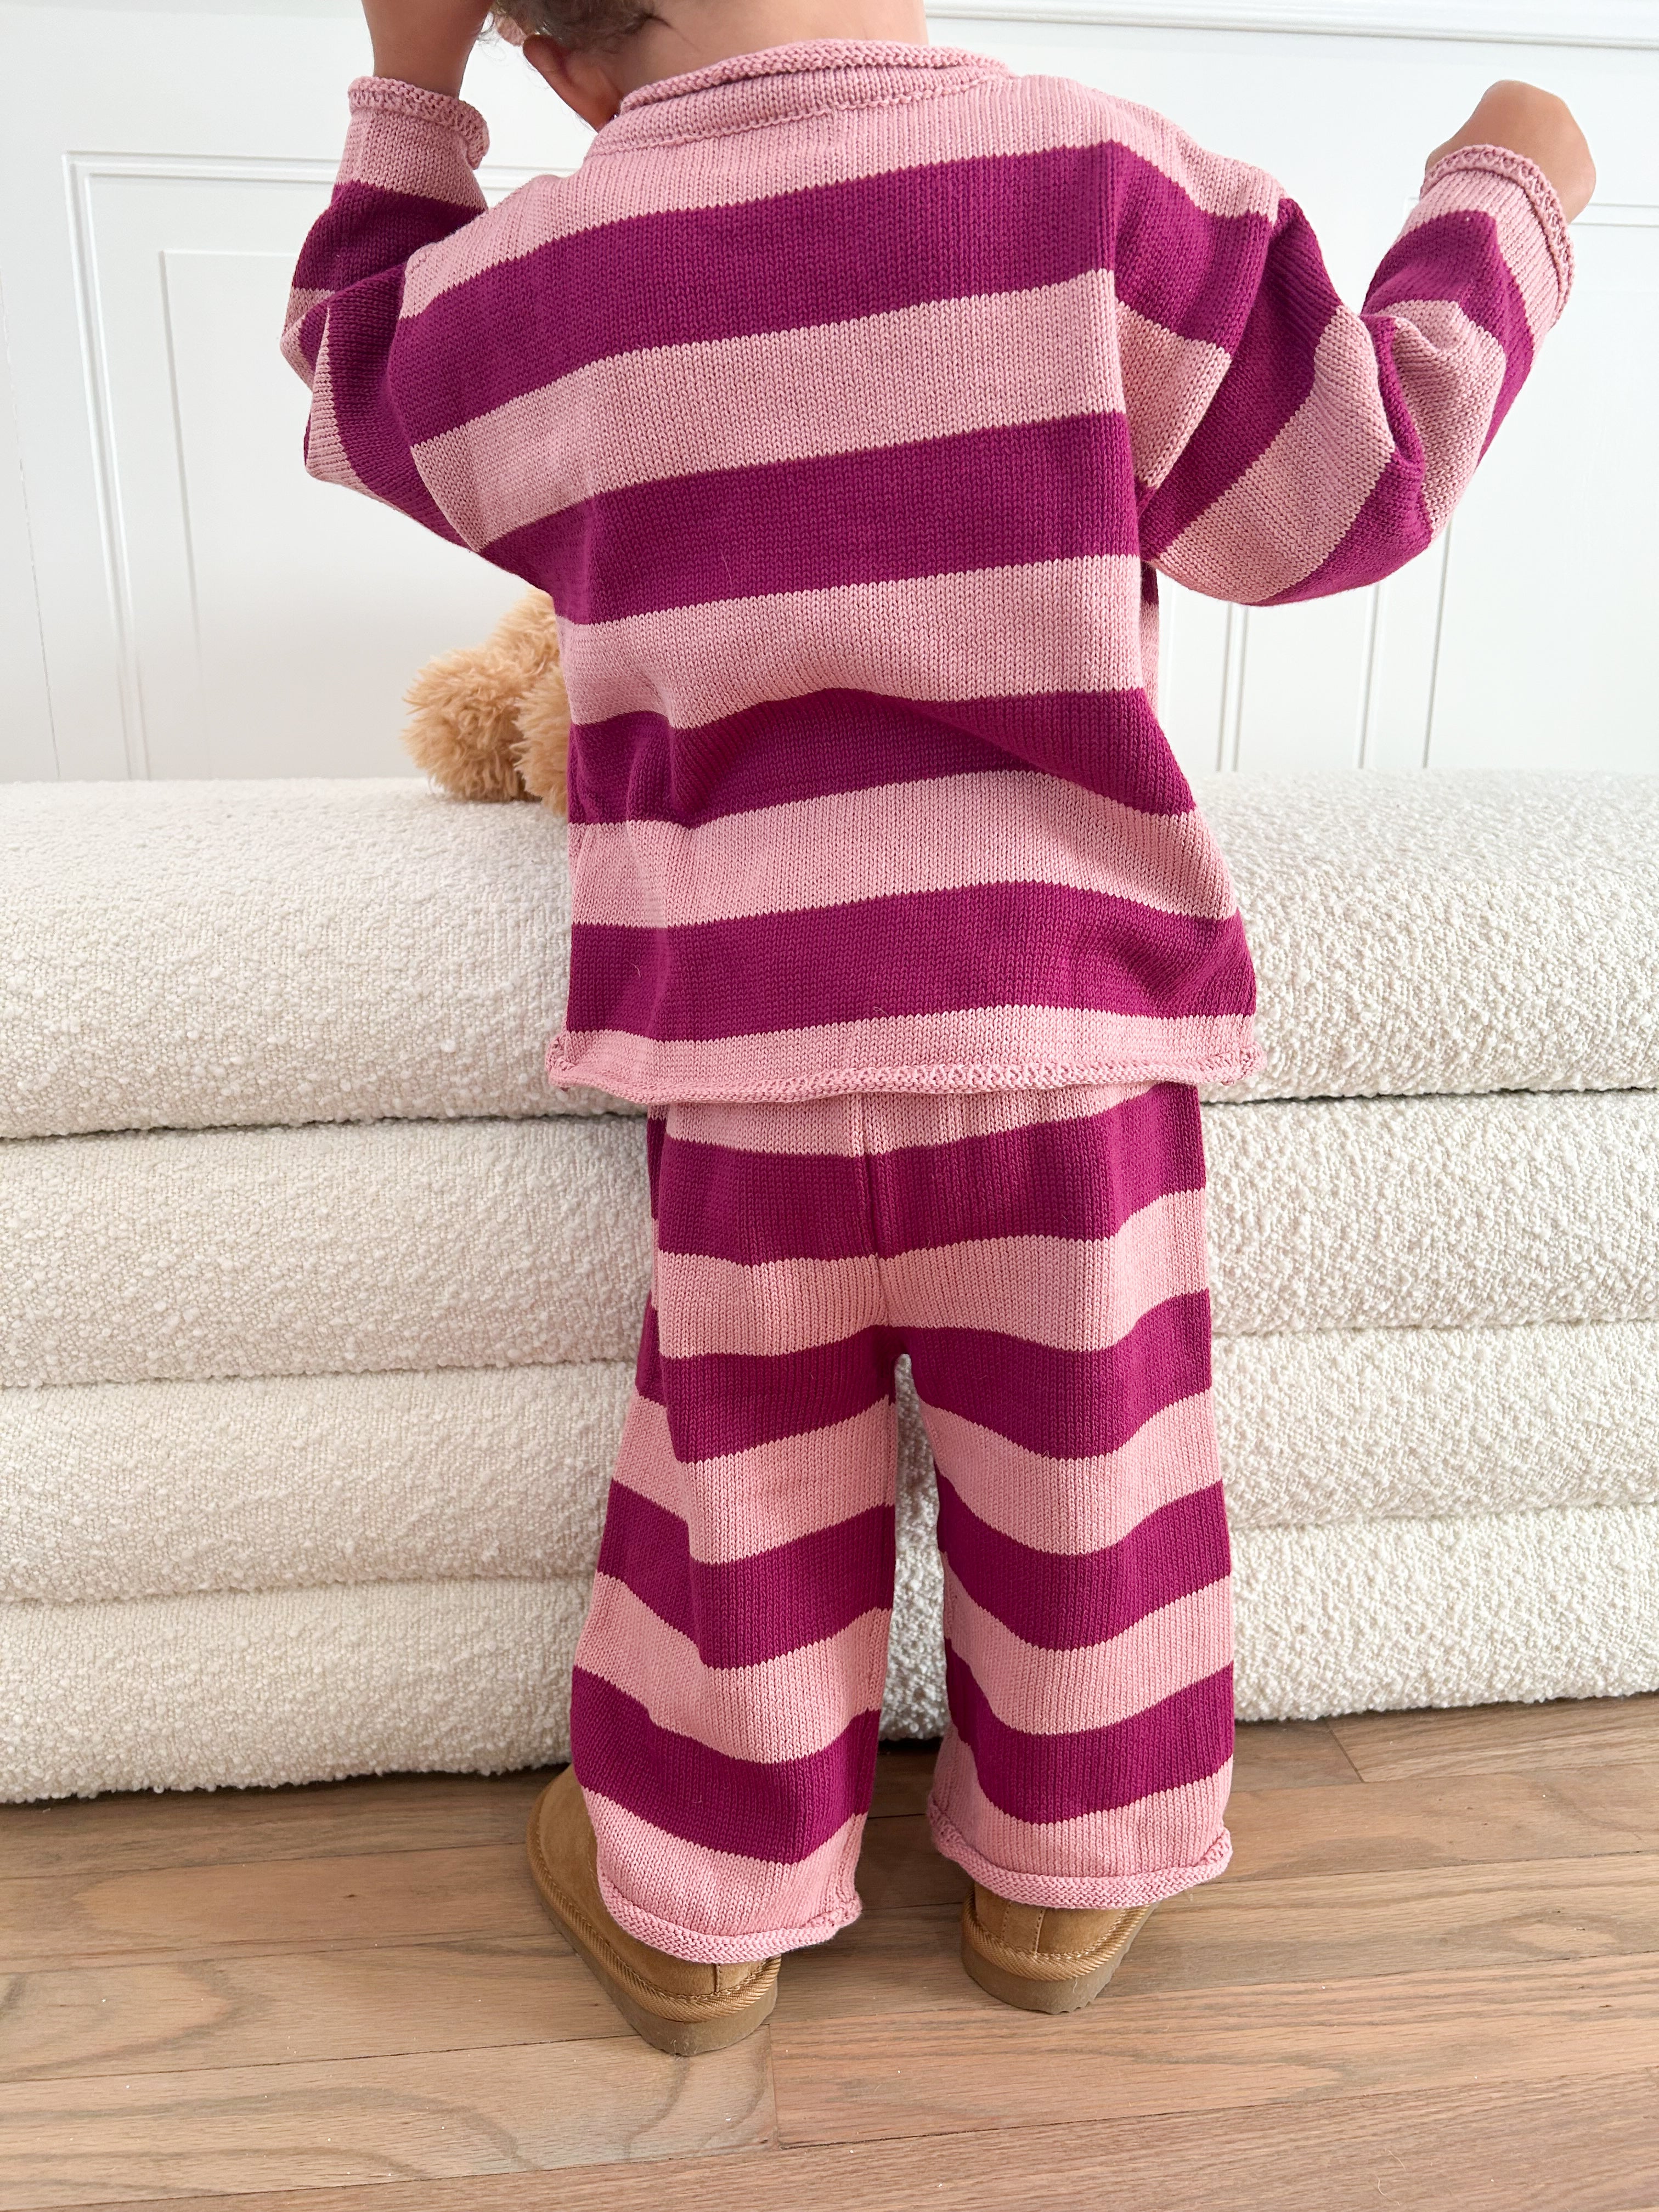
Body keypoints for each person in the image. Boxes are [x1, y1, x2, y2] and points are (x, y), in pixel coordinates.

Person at [284, 0, 1593, 2054]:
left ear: (545, 48)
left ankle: (697, 1906)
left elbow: (361, 389)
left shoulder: (546, 269)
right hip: (1057, 1040)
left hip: (738, 1051)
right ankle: (1070, 1879)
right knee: (1101, 1477)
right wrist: (1502, 195)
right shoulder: (1108, 189)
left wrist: (405, 91)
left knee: (732, 1489)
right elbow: (1361, 486)